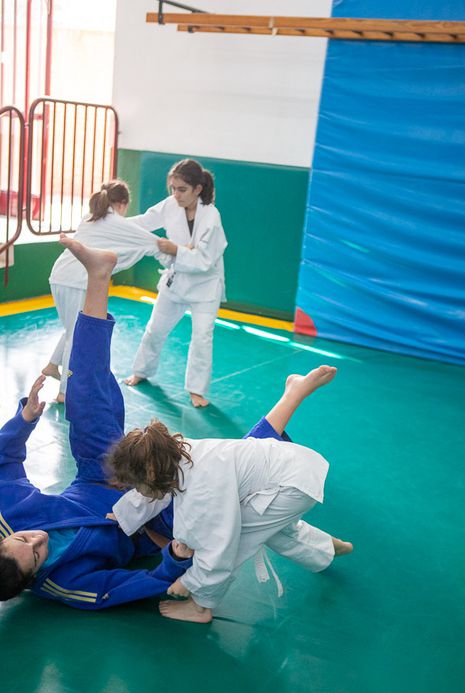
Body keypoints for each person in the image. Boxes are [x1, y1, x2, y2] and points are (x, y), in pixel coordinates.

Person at [0, 238, 349, 614]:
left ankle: (99, 276)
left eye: (23, 538)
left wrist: (24, 420)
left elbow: (4, 460)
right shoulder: (68, 585)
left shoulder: (9, 517)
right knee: (223, 474)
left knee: (84, 389)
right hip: (153, 522)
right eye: (36, 554)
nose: (36, 539)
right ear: (33, 579)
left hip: (94, 479)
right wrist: (176, 559)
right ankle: (291, 396)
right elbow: (138, 584)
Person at [107, 368, 353, 624]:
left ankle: (201, 608)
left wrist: (189, 581)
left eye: (137, 485)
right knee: (274, 530)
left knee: (239, 537)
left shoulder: (201, 492)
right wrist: (123, 514)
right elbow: (152, 489)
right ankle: (327, 548)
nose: (137, 490)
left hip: (290, 486)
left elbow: (219, 550)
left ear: (150, 473)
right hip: (293, 470)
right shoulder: (173, 452)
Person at [43, 180, 173, 402]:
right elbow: (149, 240)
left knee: (71, 327)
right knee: (76, 335)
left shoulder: (91, 217)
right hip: (78, 280)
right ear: (122, 204)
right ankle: (64, 391)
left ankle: (52, 366)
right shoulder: (114, 221)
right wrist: (172, 249)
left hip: (59, 276)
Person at [124, 159, 227, 408]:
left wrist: (174, 249)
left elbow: (203, 260)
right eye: (172, 188)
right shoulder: (171, 205)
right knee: (155, 329)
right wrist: (113, 224)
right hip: (176, 280)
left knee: (202, 337)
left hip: (205, 286)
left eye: (182, 189)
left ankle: (196, 390)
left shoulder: (211, 217)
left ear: (198, 189)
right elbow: (144, 222)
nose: (175, 194)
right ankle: (142, 371)